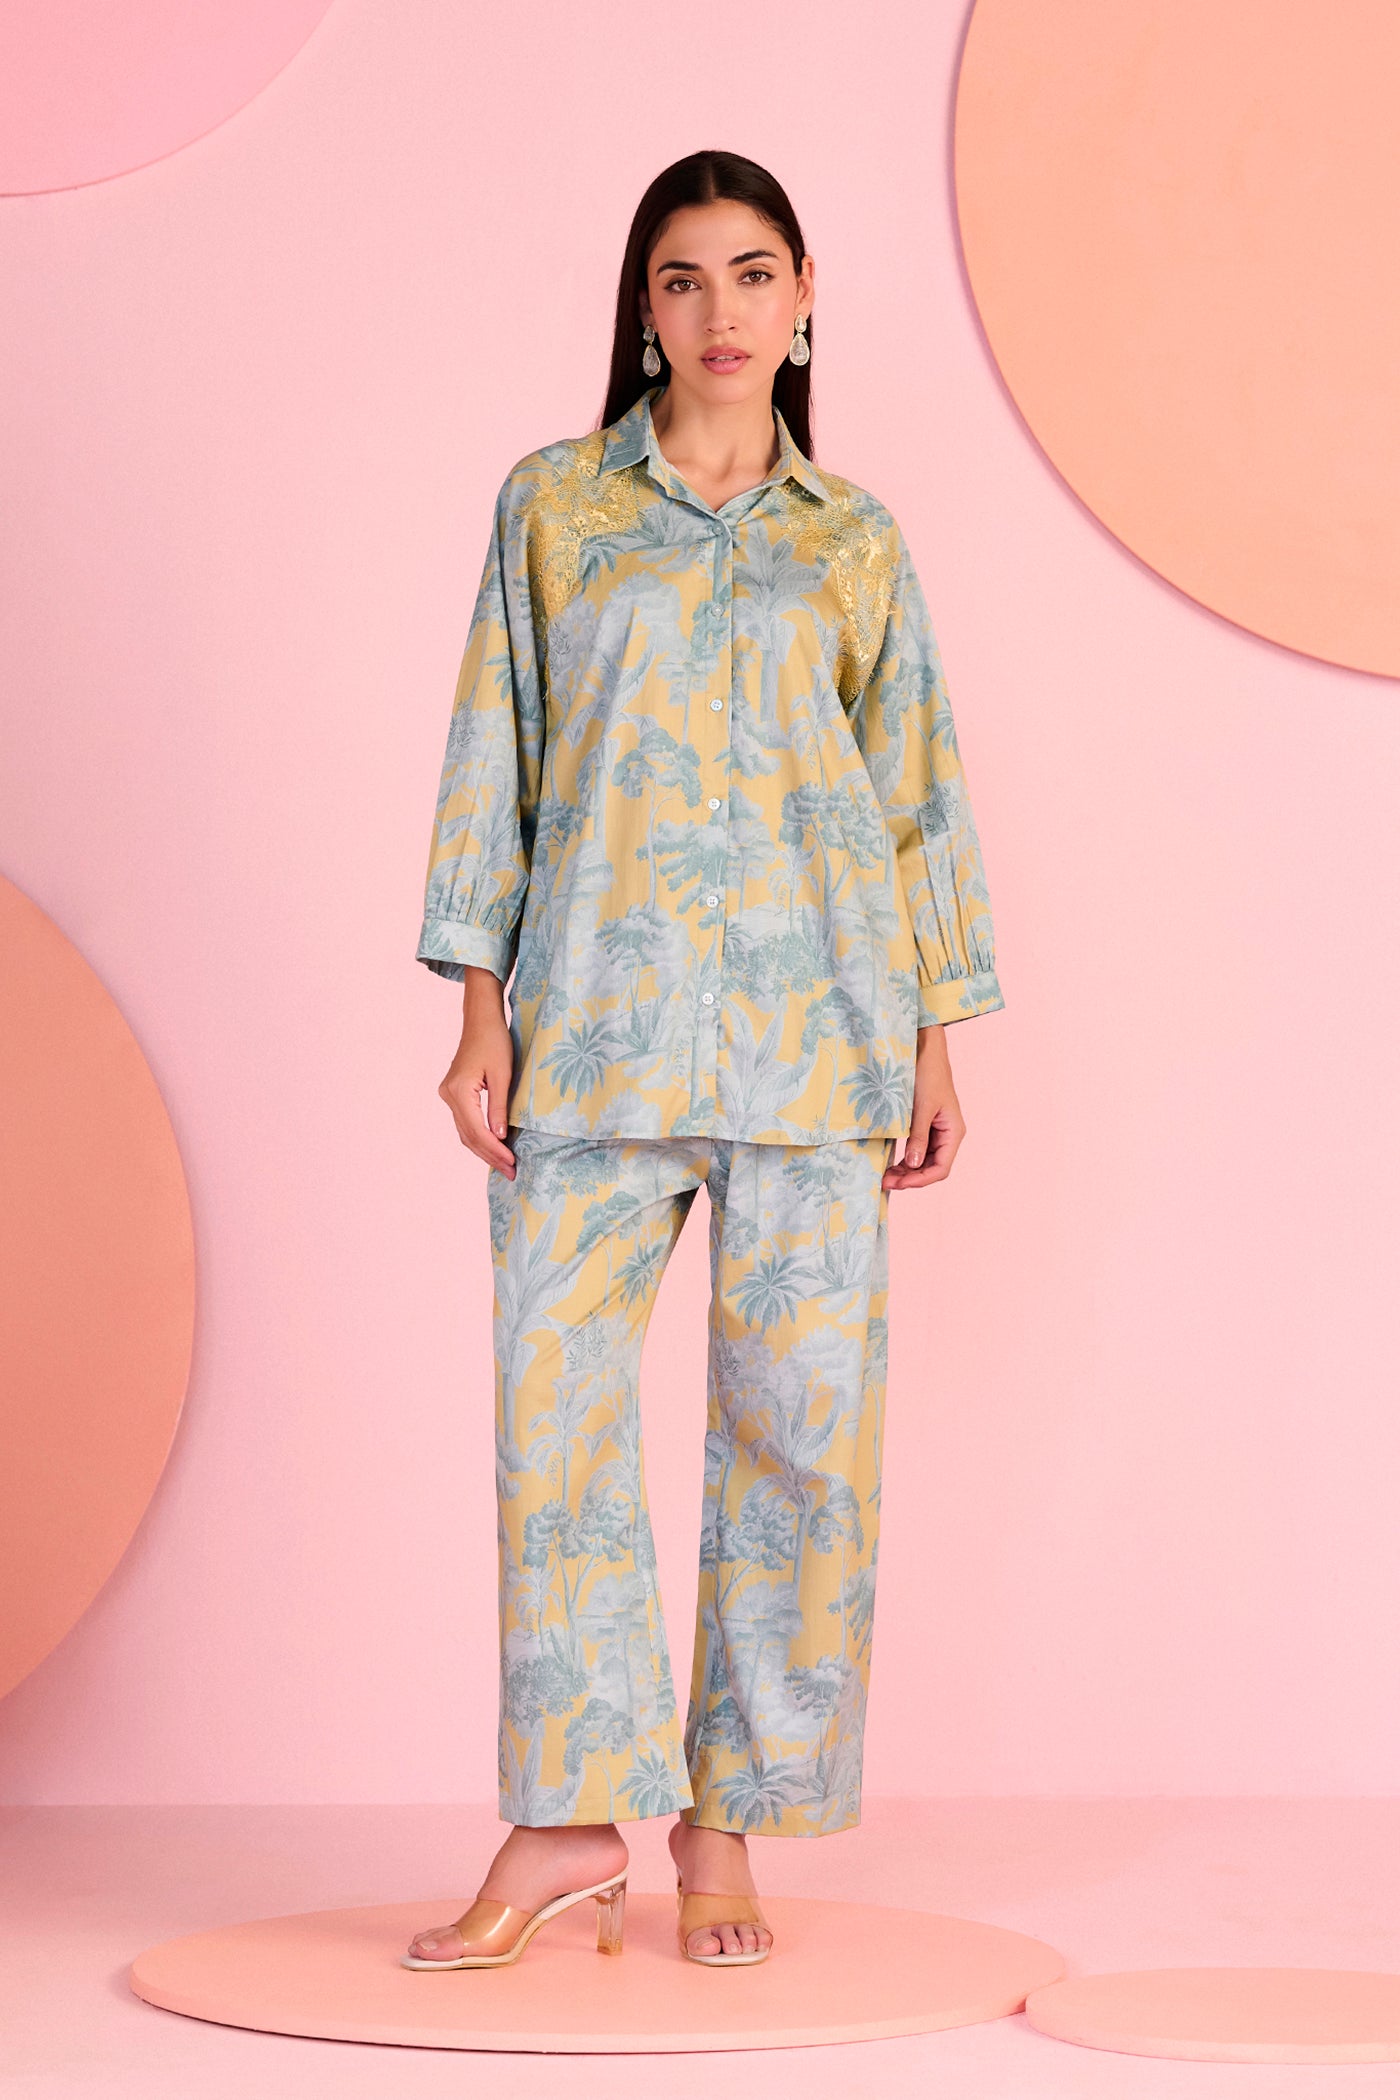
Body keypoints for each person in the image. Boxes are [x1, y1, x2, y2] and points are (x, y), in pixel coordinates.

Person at [403, 149, 1004, 1973]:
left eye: (754, 274)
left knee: (799, 1445)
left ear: (805, 301)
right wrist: (478, 1006)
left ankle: (723, 1828)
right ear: (643, 308)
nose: (721, 311)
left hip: (821, 1041)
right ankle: (565, 1820)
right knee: (555, 1419)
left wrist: (935, 1034)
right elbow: (496, 750)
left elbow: (914, 794)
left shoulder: (855, 540)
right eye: (684, 278)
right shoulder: (556, 509)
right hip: (594, 1030)